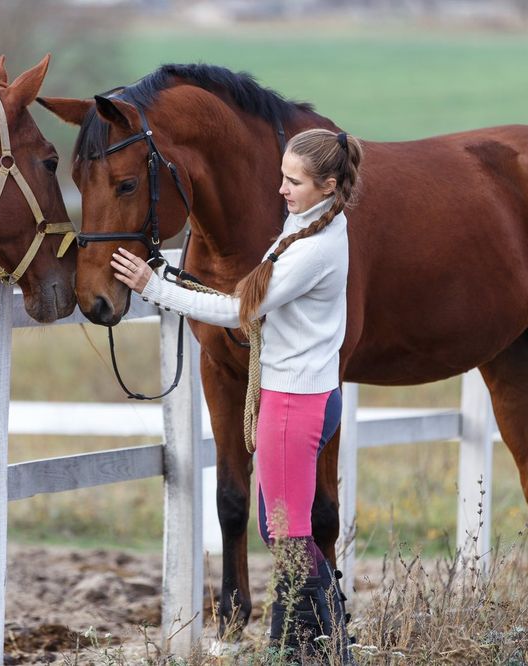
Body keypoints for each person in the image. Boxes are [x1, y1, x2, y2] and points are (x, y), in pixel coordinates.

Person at [111, 128, 363, 660]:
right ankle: (318, 642)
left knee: (285, 535)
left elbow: (237, 310)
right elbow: (248, 290)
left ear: (328, 185)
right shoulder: (308, 225)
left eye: (294, 181)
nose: (281, 190)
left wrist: (153, 289)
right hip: (303, 395)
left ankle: (313, 643)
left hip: (294, 404)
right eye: (282, 177)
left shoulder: (312, 248)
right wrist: (175, 275)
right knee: (285, 534)